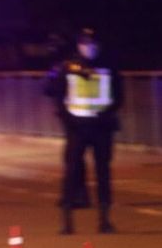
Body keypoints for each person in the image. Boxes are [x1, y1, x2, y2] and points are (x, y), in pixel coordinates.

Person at [44, 28, 123, 235]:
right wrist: (68, 119)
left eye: (93, 44)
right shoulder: (68, 67)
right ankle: (67, 221)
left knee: (103, 173)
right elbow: (58, 96)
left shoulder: (109, 67)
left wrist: (106, 114)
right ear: (79, 45)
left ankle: (104, 220)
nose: (90, 48)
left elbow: (118, 96)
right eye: (86, 44)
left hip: (101, 127)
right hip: (77, 128)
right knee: (71, 172)